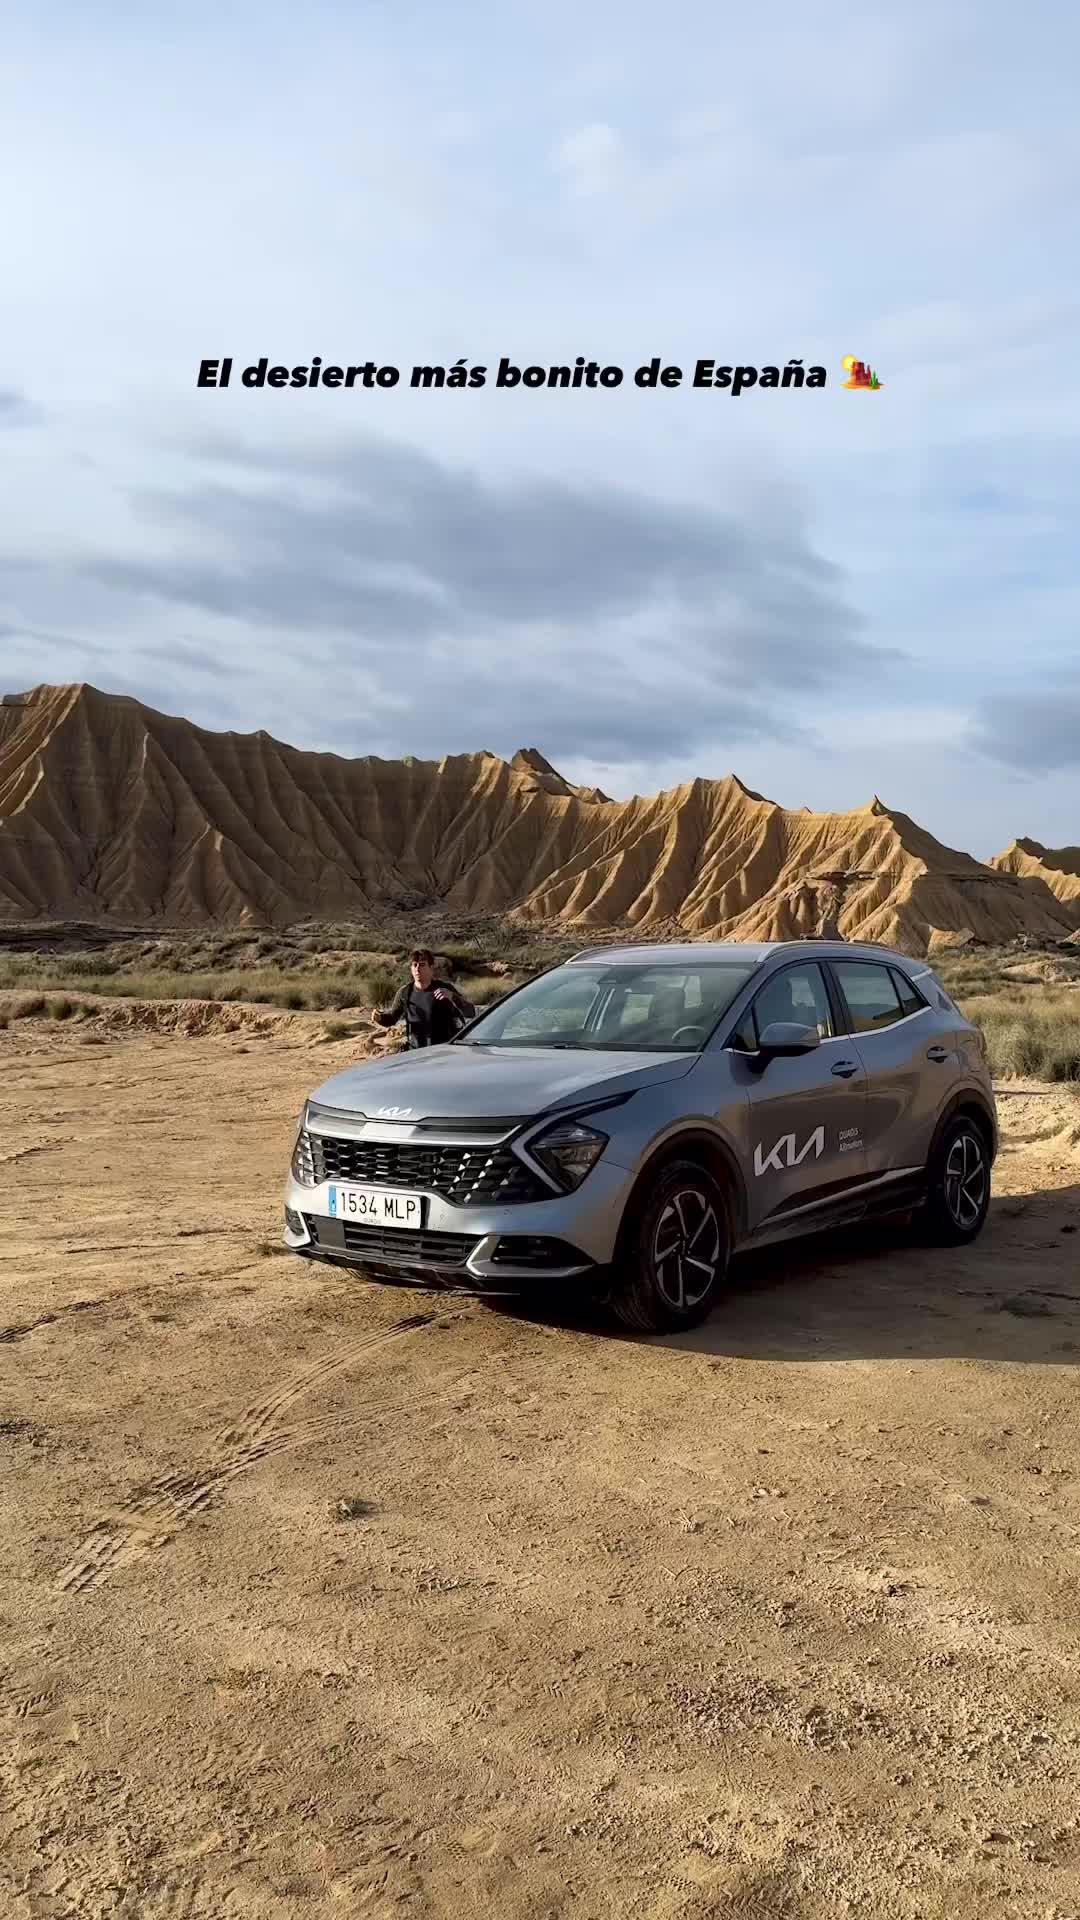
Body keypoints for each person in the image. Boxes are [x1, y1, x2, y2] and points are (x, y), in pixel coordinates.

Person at [371, 949, 477, 1049]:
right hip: (416, 1053)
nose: (417, 969)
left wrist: (452, 996)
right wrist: (379, 1018)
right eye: (414, 965)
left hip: (443, 1051)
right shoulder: (405, 992)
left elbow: (470, 1012)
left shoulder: (445, 989)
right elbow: (392, 1019)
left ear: (431, 968)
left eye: (422, 965)